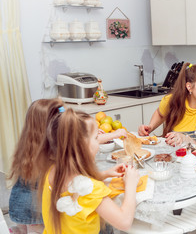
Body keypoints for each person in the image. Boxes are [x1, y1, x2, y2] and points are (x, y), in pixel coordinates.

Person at [38, 108, 140, 234]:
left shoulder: (51, 171)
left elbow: (72, 185)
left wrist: (104, 174)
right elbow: (124, 222)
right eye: (96, 138)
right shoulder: (91, 188)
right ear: (82, 146)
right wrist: (131, 184)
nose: (99, 143)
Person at [8, 98, 64, 234]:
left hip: (18, 207)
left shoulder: (26, 144)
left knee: (22, 229)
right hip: (37, 212)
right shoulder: (51, 150)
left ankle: (17, 231)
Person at [138, 63, 196, 146]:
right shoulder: (171, 101)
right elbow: (160, 114)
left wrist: (186, 139)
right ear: (189, 86)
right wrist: (150, 127)